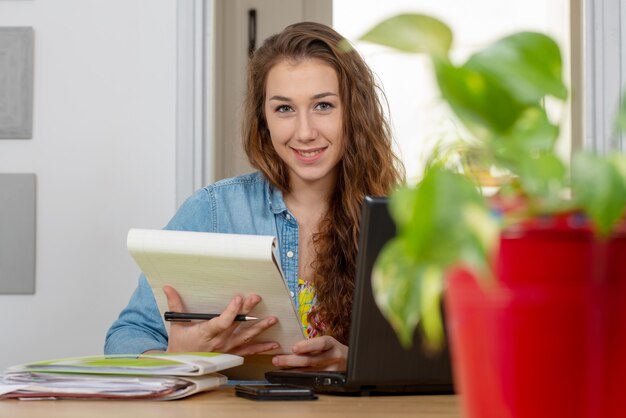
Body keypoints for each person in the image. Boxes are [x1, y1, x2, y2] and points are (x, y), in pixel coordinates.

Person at [105, 21, 403, 371]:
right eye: (284, 109)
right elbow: (124, 338)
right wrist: (176, 359)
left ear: (354, 111)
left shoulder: (401, 220)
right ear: (264, 119)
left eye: (323, 106)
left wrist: (355, 364)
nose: (305, 132)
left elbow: (442, 357)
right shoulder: (214, 211)